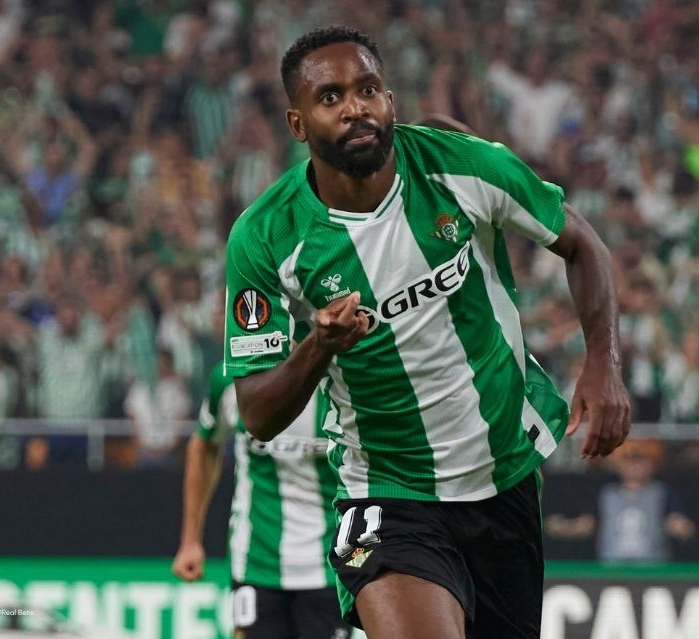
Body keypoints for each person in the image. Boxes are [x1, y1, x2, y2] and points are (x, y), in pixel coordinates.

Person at [224, 27, 630, 639]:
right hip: (386, 492)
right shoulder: (265, 237)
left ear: (389, 99)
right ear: (298, 124)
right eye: (331, 97)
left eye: (367, 89)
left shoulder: (462, 165)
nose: (355, 107)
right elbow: (257, 414)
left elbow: (581, 242)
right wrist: (319, 347)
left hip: (503, 476)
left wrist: (603, 362)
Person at [172, 360, 350, 639]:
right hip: (254, 564)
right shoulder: (232, 375)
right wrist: (190, 540)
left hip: (330, 568)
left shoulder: (344, 378)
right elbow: (204, 443)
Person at [545, 440, 695, 563]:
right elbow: (588, 525)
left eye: (641, 460)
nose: (635, 466)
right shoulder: (607, 494)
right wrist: (564, 528)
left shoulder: (662, 493)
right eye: (629, 460)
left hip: (652, 568)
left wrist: (681, 528)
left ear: (651, 464)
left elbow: (679, 524)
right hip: (612, 568)